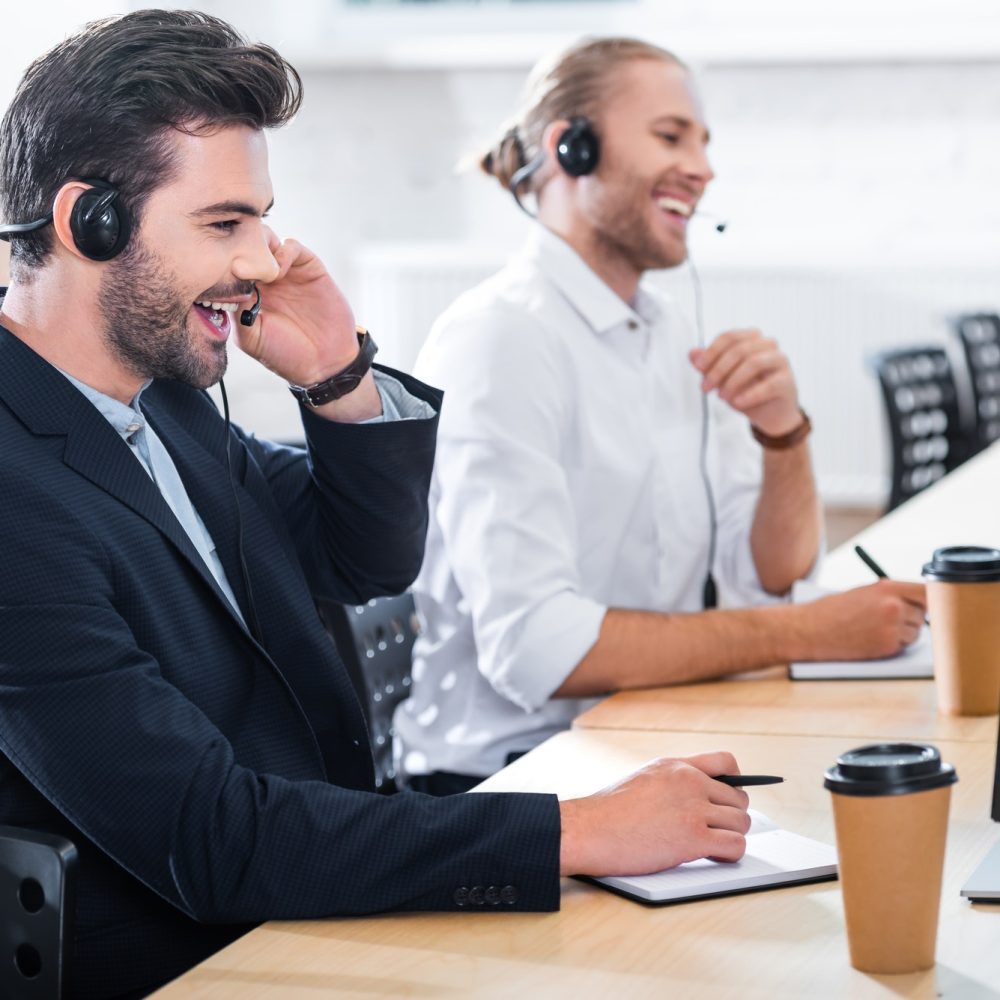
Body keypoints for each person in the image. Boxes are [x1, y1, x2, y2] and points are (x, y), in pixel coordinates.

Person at [0, 13, 752, 998]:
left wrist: (339, 379)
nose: (265, 261)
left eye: (261, 220)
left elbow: (363, 560)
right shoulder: (16, 494)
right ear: (87, 221)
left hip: (320, 905)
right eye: (226, 223)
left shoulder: (169, 408)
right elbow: (208, 835)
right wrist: (575, 830)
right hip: (195, 959)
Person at [395, 36, 927, 794]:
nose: (704, 168)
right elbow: (540, 650)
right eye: (670, 135)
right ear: (571, 147)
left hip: (640, 738)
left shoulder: (668, 330)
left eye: (703, 143)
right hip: (510, 782)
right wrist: (812, 630)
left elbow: (766, 578)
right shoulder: (502, 337)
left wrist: (784, 435)